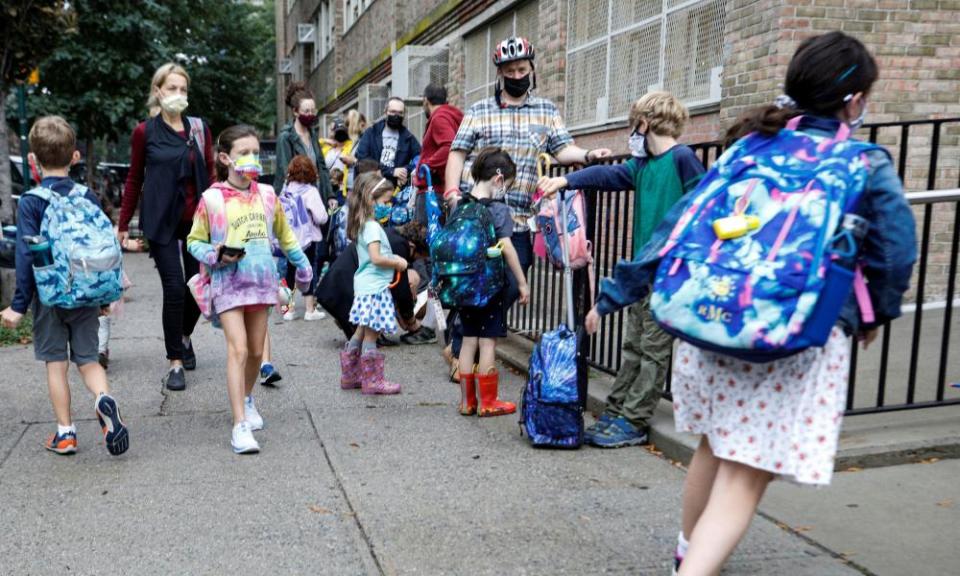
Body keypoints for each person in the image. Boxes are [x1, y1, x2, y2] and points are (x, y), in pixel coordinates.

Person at [582, 32, 916, 575]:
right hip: (787, 331)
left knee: (716, 446)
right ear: (855, 101)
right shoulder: (862, 161)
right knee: (744, 471)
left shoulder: (749, 146)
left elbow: (678, 224)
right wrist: (873, 313)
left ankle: (689, 550)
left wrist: (619, 290)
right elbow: (896, 252)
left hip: (712, 317)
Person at [537, 91, 705, 448]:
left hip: (670, 275)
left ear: (644, 124)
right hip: (643, 275)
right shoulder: (642, 166)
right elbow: (606, 175)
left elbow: (703, 209)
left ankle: (636, 418)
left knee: (653, 351)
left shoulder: (684, 159)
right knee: (633, 344)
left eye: (633, 126)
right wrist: (565, 181)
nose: (632, 134)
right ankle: (618, 409)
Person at [443, 36, 612, 381]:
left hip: (520, 216)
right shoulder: (479, 111)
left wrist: (588, 156)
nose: (517, 74)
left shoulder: (546, 111)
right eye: (510, 70)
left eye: (522, 69)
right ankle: (460, 351)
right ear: (500, 74)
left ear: (532, 69)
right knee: (474, 282)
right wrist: (451, 192)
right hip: (478, 216)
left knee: (507, 285)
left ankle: (461, 337)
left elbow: (563, 149)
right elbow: (457, 152)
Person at [1, 116, 129, 456]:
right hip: (87, 292)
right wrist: (106, 291)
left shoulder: (32, 200)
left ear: (33, 159)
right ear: (74, 156)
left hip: (50, 297)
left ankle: (65, 433)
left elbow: (26, 256)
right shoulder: (88, 195)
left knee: (55, 364)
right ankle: (104, 399)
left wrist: (18, 304)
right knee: (89, 361)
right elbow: (102, 246)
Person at [187, 125, 313, 454]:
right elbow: (193, 241)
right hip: (228, 283)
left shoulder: (268, 195)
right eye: (244, 152)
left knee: (257, 353)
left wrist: (302, 263)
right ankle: (239, 424)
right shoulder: (212, 198)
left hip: (261, 283)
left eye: (256, 152)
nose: (252, 158)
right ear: (226, 157)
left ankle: (245, 396)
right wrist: (215, 254)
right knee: (238, 350)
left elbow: (284, 236)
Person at [117, 63, 216, 391]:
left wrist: (222, 216)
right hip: (160, 218)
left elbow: (212, 174)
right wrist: (123, 225)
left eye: (183, 89)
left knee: (196, 287)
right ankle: (175, 362)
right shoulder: (145, 131)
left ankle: (184, 336)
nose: (178, 95)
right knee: (174, 287)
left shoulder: (199, 129)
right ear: (158, 91)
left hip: (196, 221)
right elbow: (134, 178)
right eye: (171, 88)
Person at [453, 148, 530, 417]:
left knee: (467, 341)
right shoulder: (497, 210)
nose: (505, 190)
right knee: (487, 343)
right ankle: (487, 402)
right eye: (507, 185)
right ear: (498, 180)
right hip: (490, 286)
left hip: (463, 286)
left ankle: (466, 401)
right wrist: (522, 282)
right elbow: (507, 247)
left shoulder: (459, 205)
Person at [339, 173, 408, 395]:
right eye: (385, 201)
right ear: (371, 199)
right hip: (376, 289)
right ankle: (373, 380)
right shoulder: (373, 228)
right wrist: (397, 261)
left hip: (365, 288)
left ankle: (350, 376)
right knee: (372, 334)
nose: (387, 206)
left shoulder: (361, 225)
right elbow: (377, 258)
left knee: (360, 331)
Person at [278, 155, 328, 322]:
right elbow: (321, 217)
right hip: (307, 240)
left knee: (289, 273)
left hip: (288, 239)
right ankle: (309, 309)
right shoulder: (310, 191)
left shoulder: (285, 190)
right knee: (308, 271)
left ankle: (289, 310)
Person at [413, 84, 463, 222]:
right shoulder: (449, 116)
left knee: (422, 240)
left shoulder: (439, 118)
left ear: (426, 101)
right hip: (440, 190)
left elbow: (449, 146)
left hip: (433, 191)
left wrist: (426, 165)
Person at [354, 97, 421, 188]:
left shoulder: (408, 138)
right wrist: (391, 171)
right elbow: (363, 159)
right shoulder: (371, 133)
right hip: (369, 186)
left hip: (394, 189)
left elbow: (420, 158)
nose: (396, 115)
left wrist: (405, 171)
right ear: (385, 112)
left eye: (400, 113)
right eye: (393, 112)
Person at [320, 117, 357, 183]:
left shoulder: (350, 146)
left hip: (343, 186)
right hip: (328, 185)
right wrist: (325, 141)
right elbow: (313, 143)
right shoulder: (326, 148)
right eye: (332, 130)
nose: (331, 132)